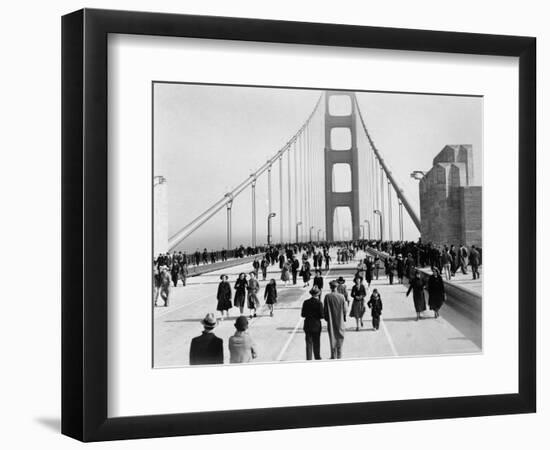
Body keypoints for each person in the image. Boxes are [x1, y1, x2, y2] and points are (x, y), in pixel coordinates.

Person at [323, 280, 347, 359]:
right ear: (337, 287)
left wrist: (327, 319)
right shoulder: (342, 296)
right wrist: (343, 317)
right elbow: (345, 310)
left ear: (330, 287)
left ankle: (333, 356)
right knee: (340, 338)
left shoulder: (327, 297)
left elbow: (325, 310)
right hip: (340, 321)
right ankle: (339, 356)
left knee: (332, 338)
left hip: (331, 321)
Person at [301, 286, 324, 360]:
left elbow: (303, 314)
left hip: (307, 324)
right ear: (318, 294)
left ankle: (309, 358)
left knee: (308, 343)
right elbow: (322, 316)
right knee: (316, 343)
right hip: (316, 325)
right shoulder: (319, 303)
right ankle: (317, 357)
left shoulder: (306, 302)